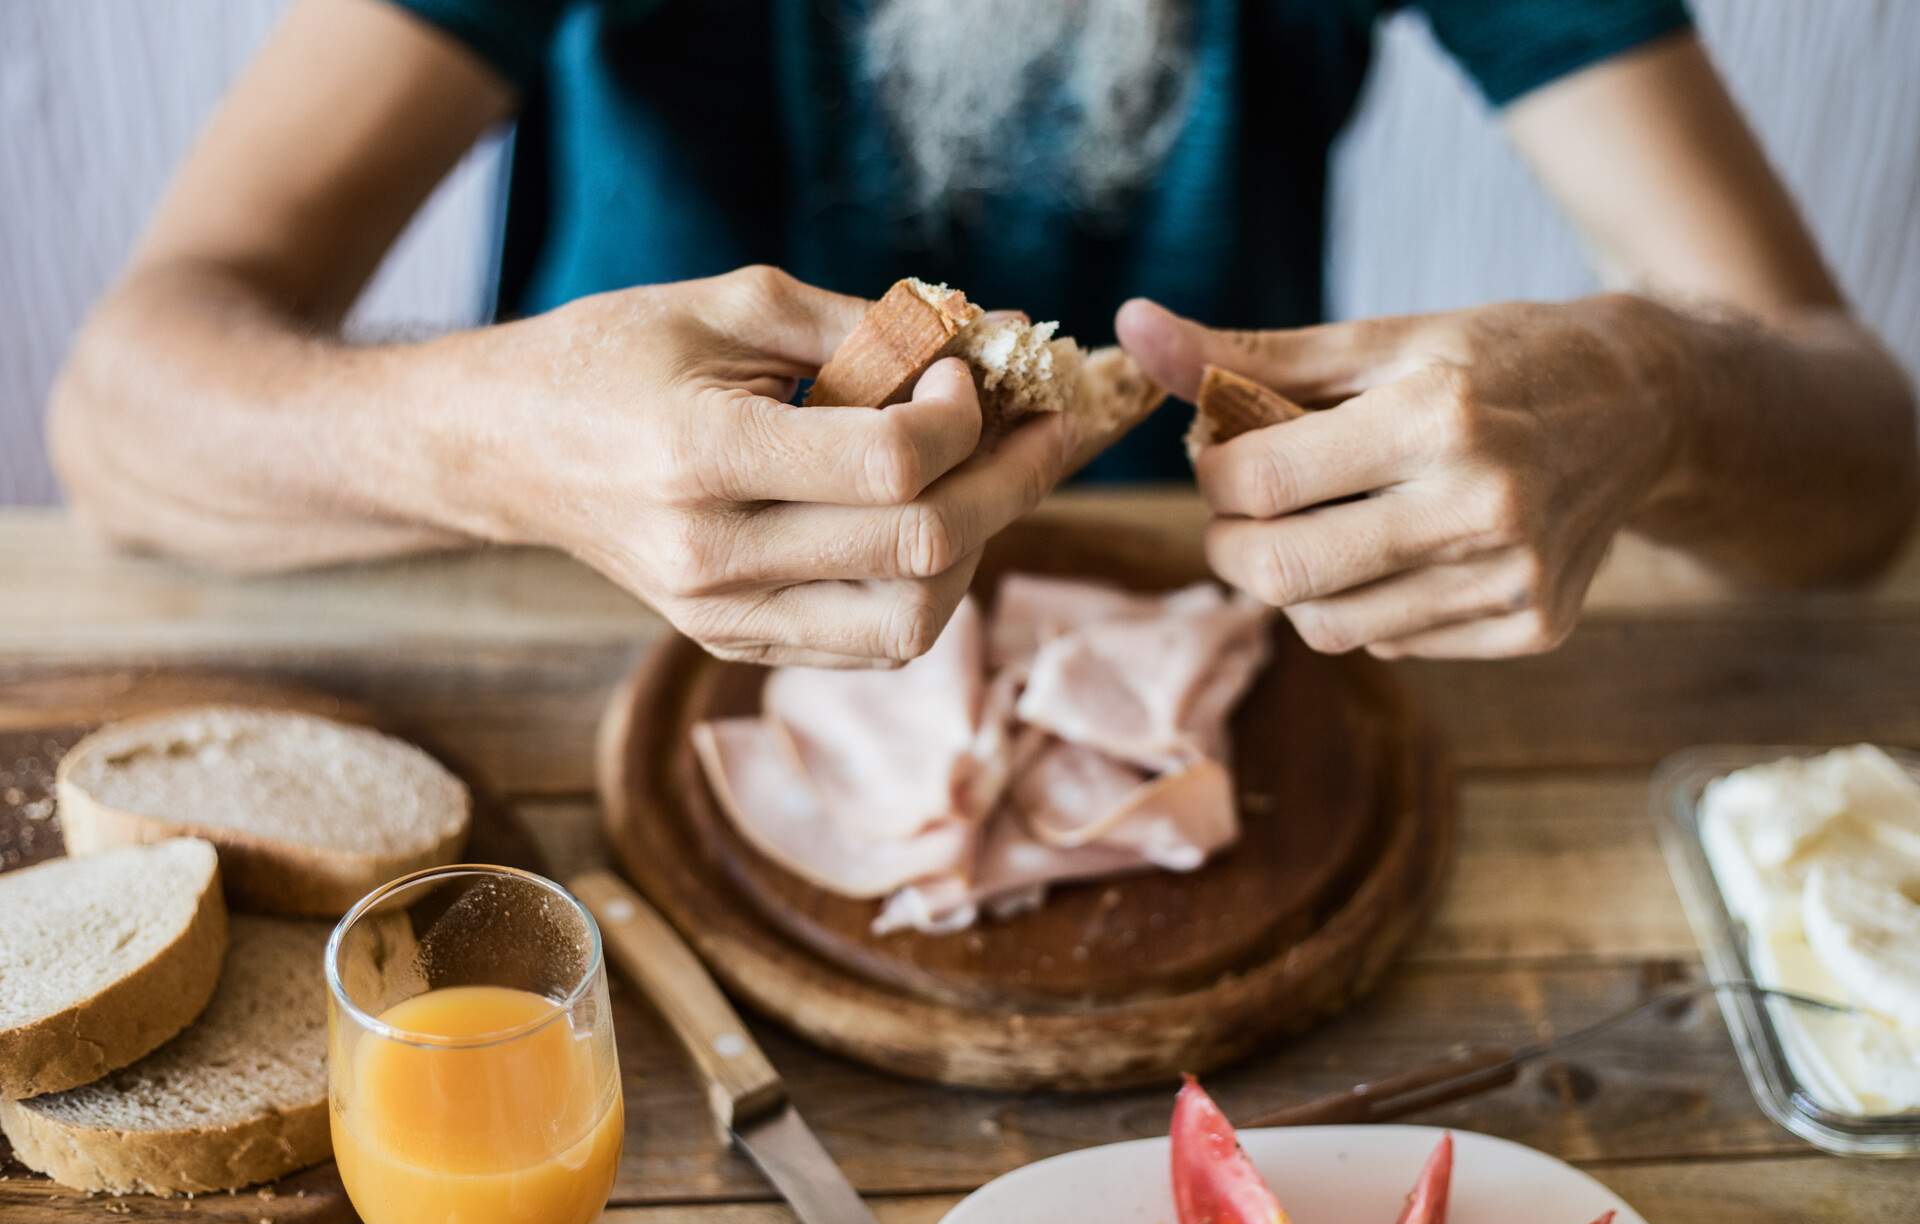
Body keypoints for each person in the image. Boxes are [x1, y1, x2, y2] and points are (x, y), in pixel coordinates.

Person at [49, 0, 1916, 666]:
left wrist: (1665, 393)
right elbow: (121, 415)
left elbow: (1866, 468)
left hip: (1198, 689)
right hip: (576, 704)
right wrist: (492, 447)